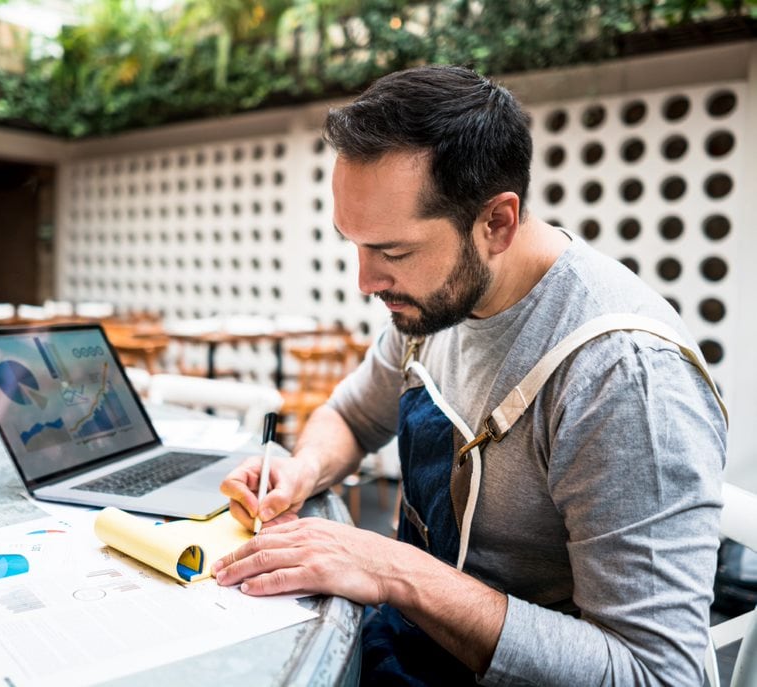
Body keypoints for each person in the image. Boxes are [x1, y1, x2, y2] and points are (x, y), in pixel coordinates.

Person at [213, 65, 728, 685]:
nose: (365, 282)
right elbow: (351, 415)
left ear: (497, 223)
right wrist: (303, 469)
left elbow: (657, 674)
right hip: (409, 650)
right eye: (354, 244)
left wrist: (396, 571)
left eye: (393, 252)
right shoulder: (436, 302)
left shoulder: (623, 378)